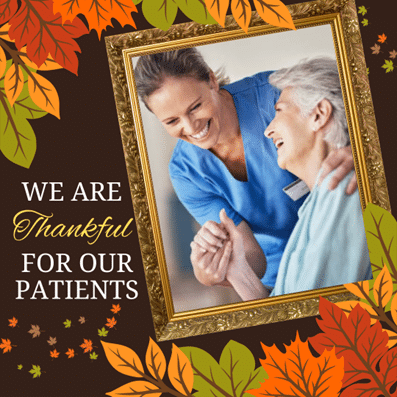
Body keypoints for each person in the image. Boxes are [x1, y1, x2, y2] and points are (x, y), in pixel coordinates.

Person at [134, 49, 357, 294]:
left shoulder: (278, 98)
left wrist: (363, 149)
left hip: (337, 237)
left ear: (212, 81)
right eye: (172, 121)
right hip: (281, 275)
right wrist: (217, 267)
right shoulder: (186, 172)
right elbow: (248, 254)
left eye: (195, 107)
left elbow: (348, 114)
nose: (190, 127)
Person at [217, 57, 372, 300]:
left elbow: (311, 320)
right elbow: (286, 307)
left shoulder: (345, 189)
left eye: (279, 110)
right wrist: (238, 272)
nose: (267, 130)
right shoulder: (317, 204)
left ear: (319, 114)